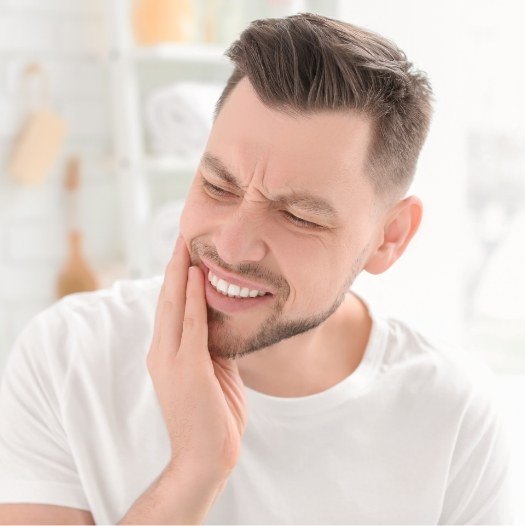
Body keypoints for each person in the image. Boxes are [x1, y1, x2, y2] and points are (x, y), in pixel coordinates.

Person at [0, 12, 514, 525]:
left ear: (390, 238)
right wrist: (194, 471)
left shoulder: (454, 418)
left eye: (299, 216)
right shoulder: (68, 359)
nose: (232, 243)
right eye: (217, 186)